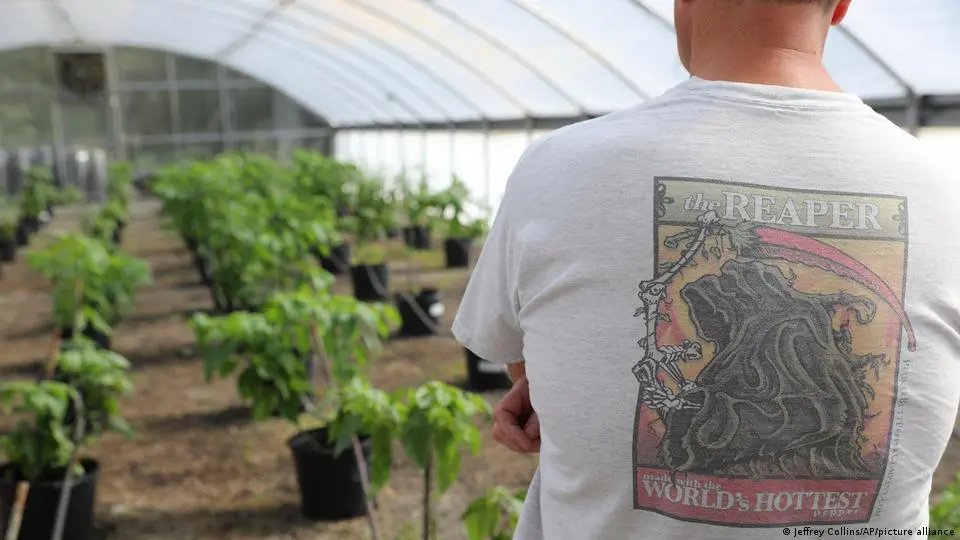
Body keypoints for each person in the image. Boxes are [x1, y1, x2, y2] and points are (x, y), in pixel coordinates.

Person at [451, 0, 960, 538]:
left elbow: (515, 355)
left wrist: (562, 379)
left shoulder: (558, 169)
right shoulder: (944, 195)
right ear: (841, 6)